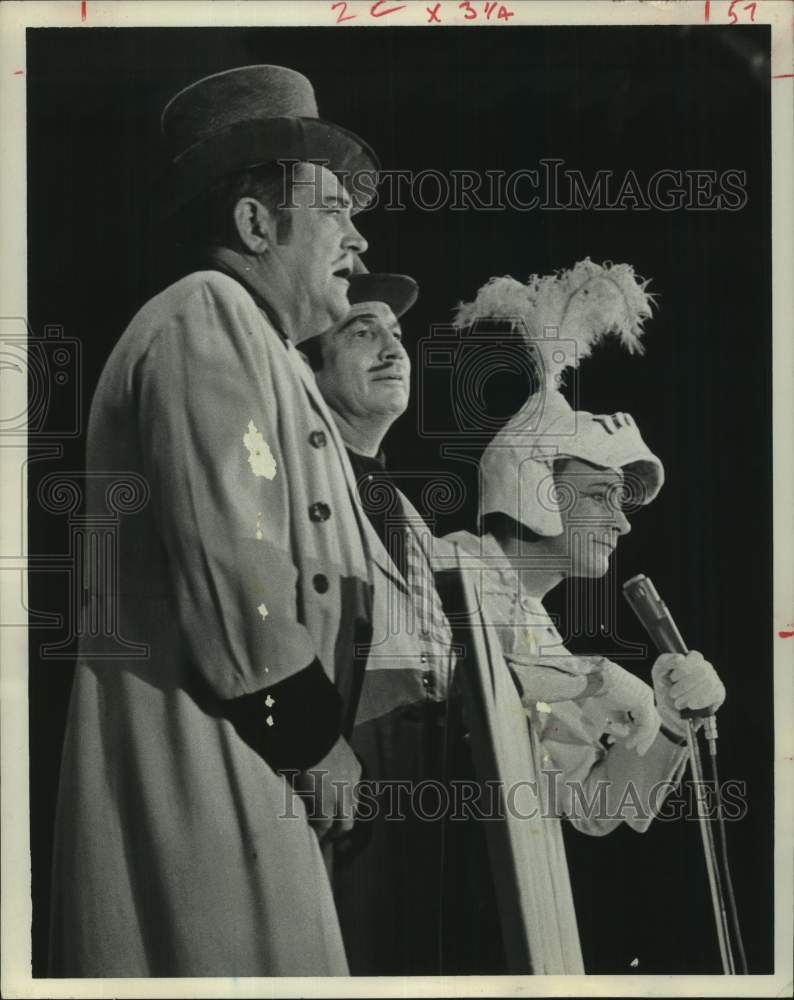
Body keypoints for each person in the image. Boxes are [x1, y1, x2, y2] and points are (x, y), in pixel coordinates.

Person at [48, 64, 387, 977]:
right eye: (331, 209)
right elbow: (230, 553)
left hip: (245, 752)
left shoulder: (263, 344)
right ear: (253, 223)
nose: (357, 237)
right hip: (210, 755)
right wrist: (310, 735)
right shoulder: (209, 311)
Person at [441, 386, 727, 973]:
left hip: (516, 913)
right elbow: (446, 687)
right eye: (602, 496)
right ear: (533, 492)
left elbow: (599, 807)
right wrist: (594, 680)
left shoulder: (541, 631)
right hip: (429, 890)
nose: (622, 523)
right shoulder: (448, 564)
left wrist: (671, 725)